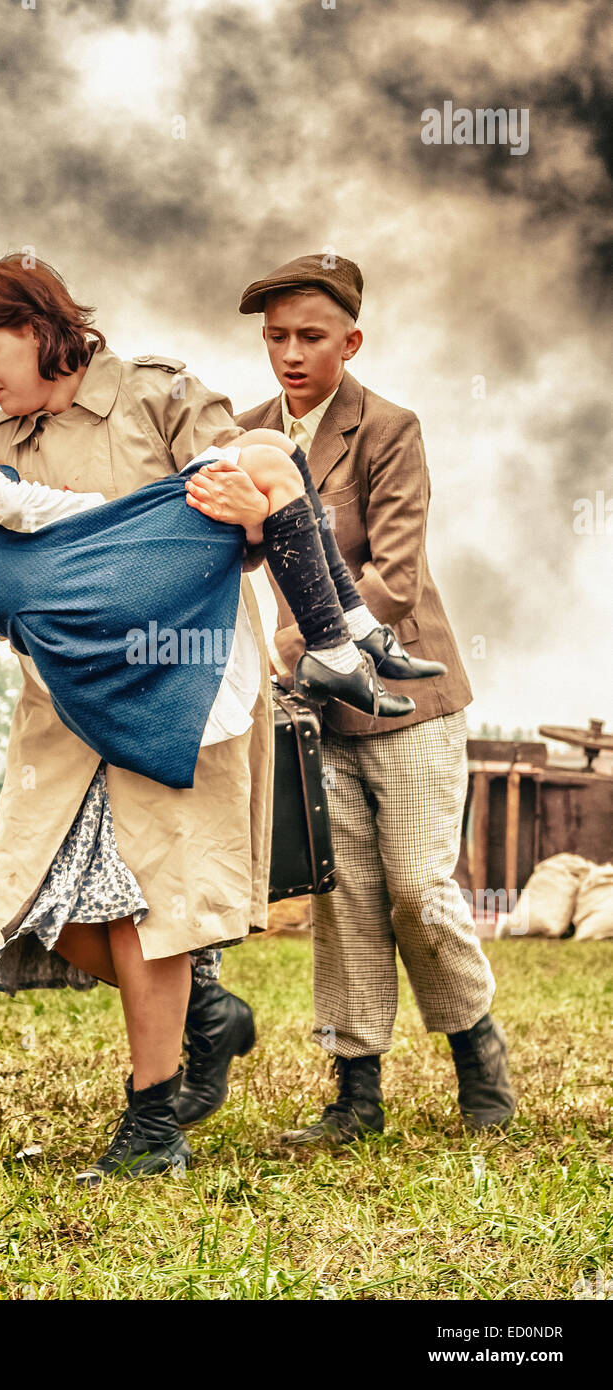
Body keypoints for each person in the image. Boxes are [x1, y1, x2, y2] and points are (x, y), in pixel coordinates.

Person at [0, 255, 411, 1184]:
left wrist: (235, 512)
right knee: (48, 912)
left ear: (39, 328)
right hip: (66, 702)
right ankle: (204, 1013)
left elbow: (254, 500)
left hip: (177, 680)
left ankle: (152, 1126)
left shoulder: (160, 394)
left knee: (148, 907)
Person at [193, 252, 515, 1139]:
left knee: (417, 888)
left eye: (310, 336)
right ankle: (356, 1097)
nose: (290, 353)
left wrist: (289, 649)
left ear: (352, 340)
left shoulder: (390, 429)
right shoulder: (243, 436)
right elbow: (224, 561)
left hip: (409, 693)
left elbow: (397, 579)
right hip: (311, 712)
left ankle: (477, 1056)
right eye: (275, 337)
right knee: (345, 898)